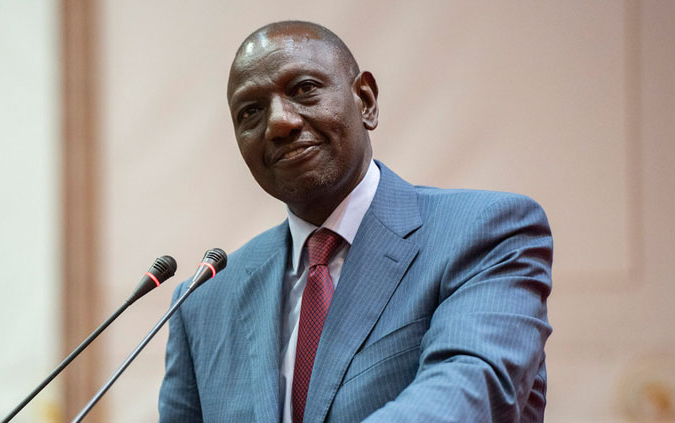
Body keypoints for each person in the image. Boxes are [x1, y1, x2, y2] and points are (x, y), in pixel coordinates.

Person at [159, 21, 552, 423]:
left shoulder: (486, 232)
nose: (279, 123)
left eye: (304, 89)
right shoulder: (203, 302)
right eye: (251, 111)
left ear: (365, 101)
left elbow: (468, 392)